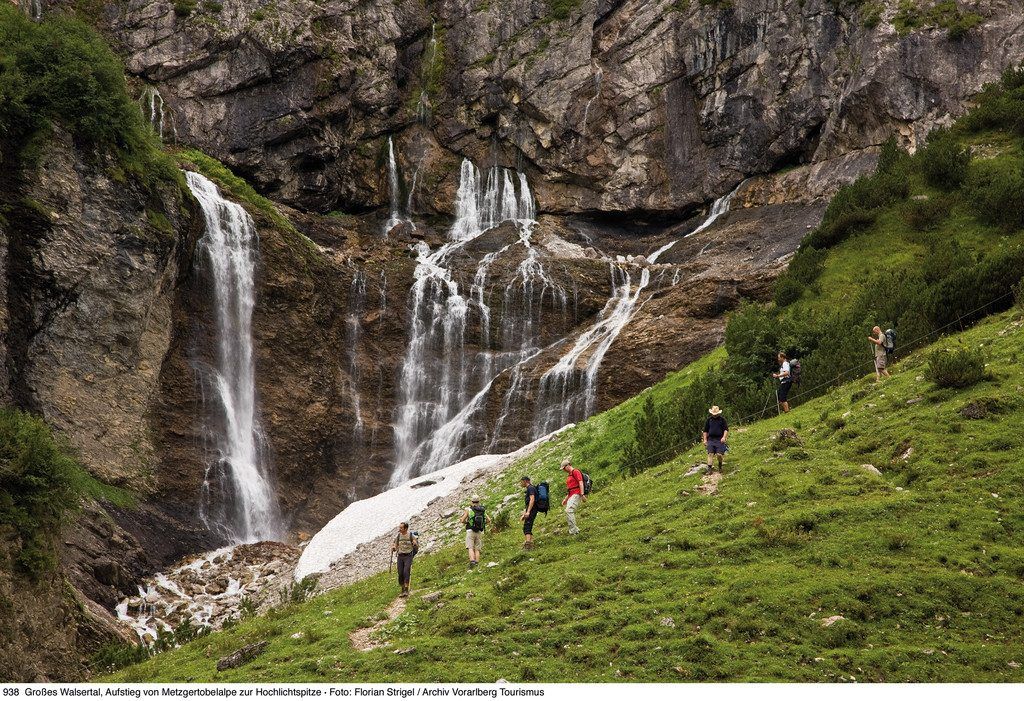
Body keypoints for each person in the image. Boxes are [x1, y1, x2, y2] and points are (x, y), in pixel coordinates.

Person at [459, 494, 491, 568]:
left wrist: (467, 522)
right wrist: (482, 524)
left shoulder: (468, 510)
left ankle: (472, 562)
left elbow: (462, 520)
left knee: (470, 547)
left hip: (470, 531)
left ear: (471, 501)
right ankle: (477, 563)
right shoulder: (482, 510)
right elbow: (489, 520)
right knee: (477, 549)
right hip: (479, 531)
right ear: (479, 501)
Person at [560, 457, 586, 536]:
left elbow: (580, 482)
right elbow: (570, 489)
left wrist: (582, 494)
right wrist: (565, 499)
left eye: (564, 468)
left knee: (569, 510)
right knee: (568, 511)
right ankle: (574, 529)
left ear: (568, 465)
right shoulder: (569, 475)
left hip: (577, 494)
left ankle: (574, 530)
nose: (564, 470)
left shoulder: (576, 471)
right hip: (571, 495)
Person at [391, 522, 418, 597]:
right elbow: (395, 545)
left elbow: (416, 543)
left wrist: (415, 543)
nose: (399, 529)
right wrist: (394, 548)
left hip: (408, 556)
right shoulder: (399, 536)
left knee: (406, 571)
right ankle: (402, 589)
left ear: (406, 528)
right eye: (399, 527)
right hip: (400, 556)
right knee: (400, 573)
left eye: (401, 528)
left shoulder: (410, 535)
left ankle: (406, 589)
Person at [702, 406, 729, 472]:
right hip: (710, 439)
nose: (714, 415)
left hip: (720, 439)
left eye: (716, 414)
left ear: (718, 413)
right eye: (713, 414)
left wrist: (724, 437)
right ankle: (709, 469)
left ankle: (720, 465)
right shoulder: (709, 420)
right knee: (710, 454)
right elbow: (705, 431)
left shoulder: (722, 420)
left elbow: (726, 430)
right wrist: (705, 440)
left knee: (719, 455)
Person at [520, 476, 538, 549]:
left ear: (525, 481)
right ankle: (530, 543)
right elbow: (528, 503)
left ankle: (528, 545)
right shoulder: (530, 488)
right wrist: (525, 514)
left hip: (532, 510)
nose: (521, 484)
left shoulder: (530, 488)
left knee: (527, 527)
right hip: (531, 510)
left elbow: (532, 499)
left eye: (521, 482)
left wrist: (528, 512)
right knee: (528, 526)